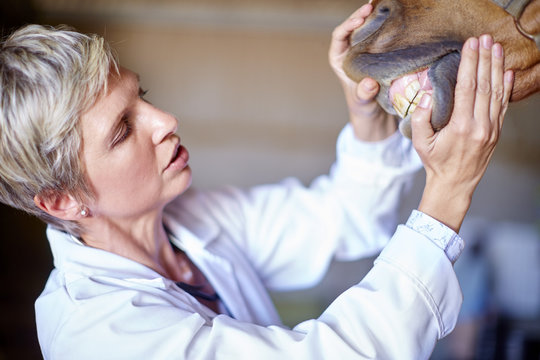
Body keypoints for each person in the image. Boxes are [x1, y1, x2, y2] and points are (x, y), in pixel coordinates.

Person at [0, 4, 513, 359]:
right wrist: (447, 191)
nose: (165, 120)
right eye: (122, 130)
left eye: (143, 96)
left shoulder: (183, 221)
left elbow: (340, 219)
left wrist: (370, 114)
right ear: (62, 200)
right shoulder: (101, 337)